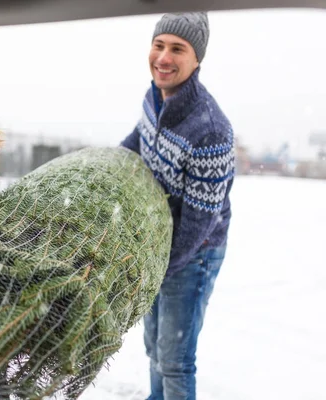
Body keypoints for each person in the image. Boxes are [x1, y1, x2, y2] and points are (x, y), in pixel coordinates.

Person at [120, 12, 235, 400]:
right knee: (153, 345)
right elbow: (139, 139)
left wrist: (160, 264)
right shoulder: (153, 97)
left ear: (197, 59)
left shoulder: (210, 128)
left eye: (177, 49)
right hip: (161, 246)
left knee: (175, 358)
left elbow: (200, 221)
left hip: (194, 252)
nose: (163, 58)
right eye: (159, 45)